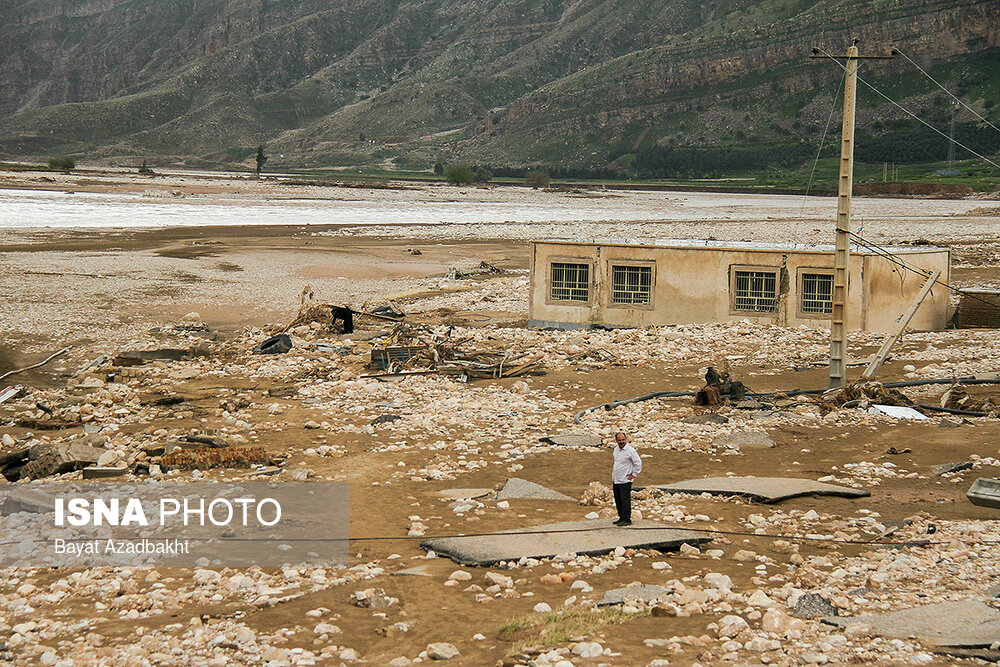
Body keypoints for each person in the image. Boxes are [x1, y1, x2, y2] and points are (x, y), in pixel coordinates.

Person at [610, 431, 641, 526]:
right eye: (619, 440)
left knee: (625, 500)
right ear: (616, 441)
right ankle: (621, 517)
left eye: (623, 440)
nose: (621, 442)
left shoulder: (630, 450)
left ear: (626, 440)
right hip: (616, 479)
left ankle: (627, 519)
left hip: (626, 480)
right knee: (618, 499)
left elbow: (638, 463)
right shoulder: (616, 450)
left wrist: (634, 474)